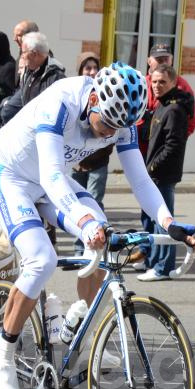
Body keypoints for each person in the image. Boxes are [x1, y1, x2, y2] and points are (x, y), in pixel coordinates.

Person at [0, 62, 195, 389]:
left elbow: (141, 180)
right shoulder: (61, 103)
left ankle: (81, 339)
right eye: (105, 124)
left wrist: (169, 223)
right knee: (42, 258)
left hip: (47, 184)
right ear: (94, 99)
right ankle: (2, 356)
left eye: (117, 128)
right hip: (11, 178)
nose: (108, 134)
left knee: (104, 235)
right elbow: (53, 175)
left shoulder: (121, 120)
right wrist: (84, 222)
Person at [131, 43, 195, 268]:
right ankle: (150, 257)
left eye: (165, 58)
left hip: (159, 167)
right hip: (145, 158)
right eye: (157, 59)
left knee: (163, 218)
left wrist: (154, 163)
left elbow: (177, 138)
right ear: (149, 62)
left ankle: (163, 265)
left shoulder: (176, 104)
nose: (157, 85)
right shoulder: (149, 89)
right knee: (149, 215)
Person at [71, 52, 112, 255]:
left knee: (93, 202)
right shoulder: (75, 98)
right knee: (76, 205)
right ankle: (80, 247)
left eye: (95, 67)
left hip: (99, 162)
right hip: (77, 163)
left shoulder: (107, 95)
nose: (92, 71)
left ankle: (94, 248)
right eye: (87, 68)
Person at [0, 32, 65, 124]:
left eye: (24, 52)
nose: (22, 56)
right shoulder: (29, 72)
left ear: (34, 54)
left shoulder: (56, 78)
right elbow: (15, 106)